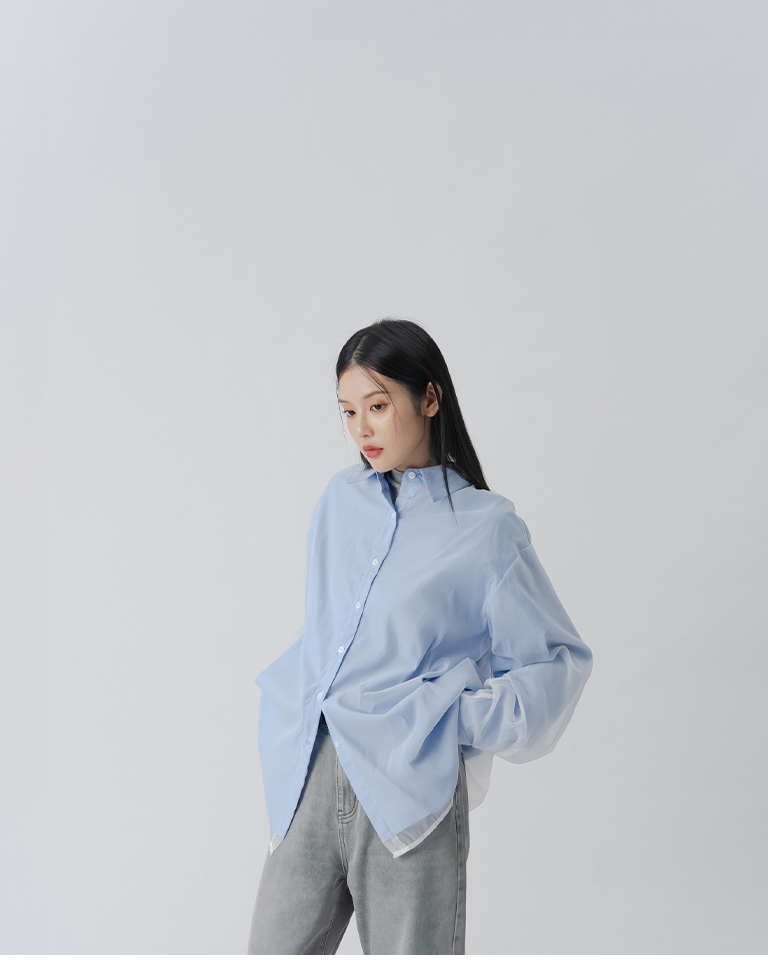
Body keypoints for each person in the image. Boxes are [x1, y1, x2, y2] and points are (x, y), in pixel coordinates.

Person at [247, 319, 593, 955]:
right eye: (349, 410)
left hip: (407, 791)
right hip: (309, 772)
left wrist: (447, 717)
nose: (361, 428)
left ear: (429, 398)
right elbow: (327, 629)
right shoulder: (339, 501)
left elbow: (556, 662)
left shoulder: (488, 528)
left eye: (378, 406)